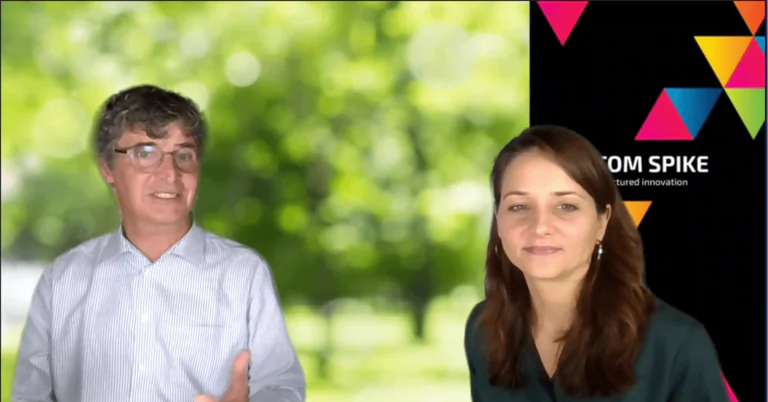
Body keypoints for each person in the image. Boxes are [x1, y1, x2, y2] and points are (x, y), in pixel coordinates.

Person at [12, 85, 306, 402]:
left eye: (184, 155)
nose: (170, 173)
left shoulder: (243, 274)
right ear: (107, 168)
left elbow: (282, 387)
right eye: (145, 153)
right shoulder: (62, 280)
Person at [464, 125, 730, 401]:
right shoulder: (484, 331)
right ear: (498, 220)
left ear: (602, 222)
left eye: (566, 206)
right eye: (519, 206)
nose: (540, 226)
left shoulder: (678, 343)